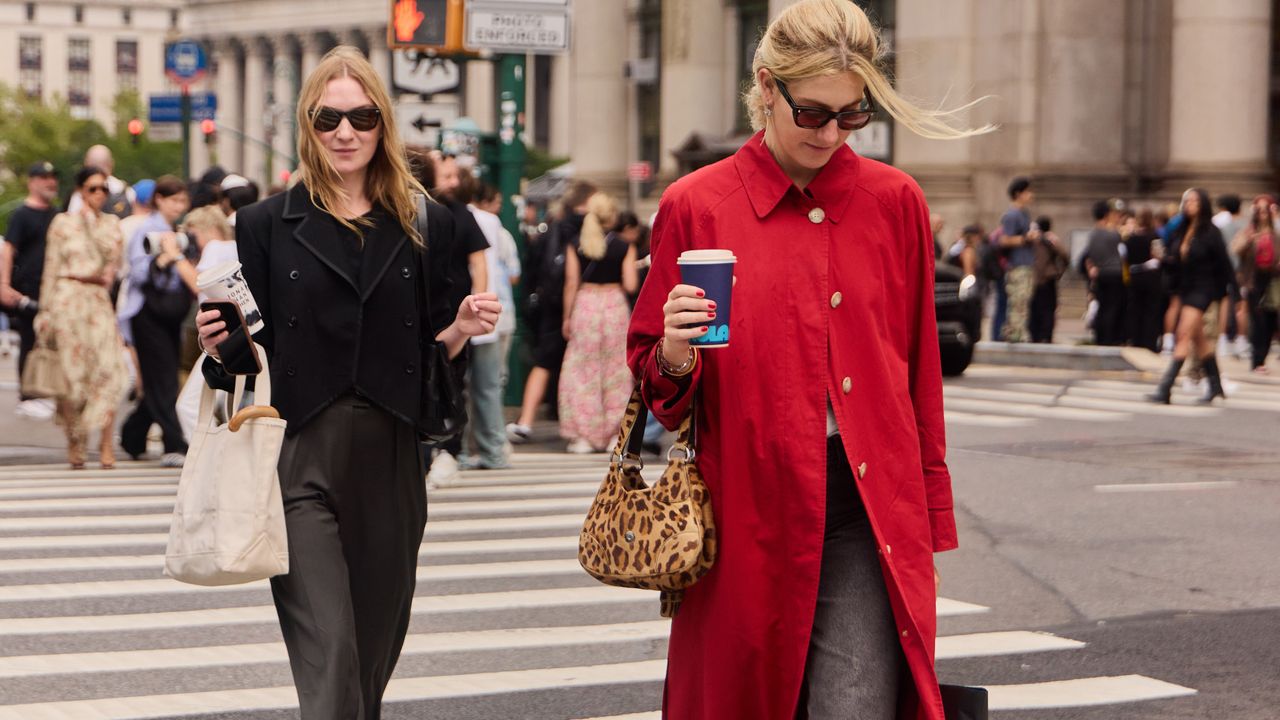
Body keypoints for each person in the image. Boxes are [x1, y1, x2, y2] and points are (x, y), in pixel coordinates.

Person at [627, 1, 985, 716]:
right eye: (814, 112)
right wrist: (671, 350)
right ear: (767, 87)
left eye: (852, 116)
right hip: (744, 503)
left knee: (856, 704)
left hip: (865, 502)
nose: (831, 133)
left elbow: (918, 374)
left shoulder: (895, 202)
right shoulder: (697, 204)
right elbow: (658, 389)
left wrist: (930, 505)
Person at [194, 46, 499, 719]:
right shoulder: (265, 224)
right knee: (330, 654)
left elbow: (435, 351)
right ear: (308, 125)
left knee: (370, 658)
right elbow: (245, 358)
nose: (345, 132)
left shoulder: (430, 223)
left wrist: (460, 328)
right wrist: (223, 347)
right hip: (298, 453)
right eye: (328, 119)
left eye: (361, 117)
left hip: (392, 452)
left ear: (382, 124)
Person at [32, 166, 128, 469]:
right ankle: (75, 440)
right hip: (67, 298)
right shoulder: (62, 223)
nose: (98, 194)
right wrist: (44, 312)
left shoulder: (112, 225)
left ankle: (105, 444)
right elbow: (50, 267)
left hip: (97, 299)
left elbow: (112, 261)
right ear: (80, 191)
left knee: (109, 371)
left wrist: (92, 225)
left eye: (103, 189)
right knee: (72, 375)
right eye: (91, 188)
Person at [506, 180, 598, 443]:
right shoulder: (594, 229)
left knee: (544, 363)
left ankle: (526, 420)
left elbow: (537, 267)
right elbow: (571, 279)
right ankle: (583, 425)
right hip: (587, 306)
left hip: (551, 305)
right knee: (586, 368)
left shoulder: (554, 228)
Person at [118, 176, 193, 466]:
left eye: (182, 201)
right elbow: (137, 272)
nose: (179, 206)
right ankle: (174, 442)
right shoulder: (147, 229)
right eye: (174, 200)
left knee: (159, 378)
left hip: (169, 311)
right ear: (159, 199)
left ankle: (132, 436)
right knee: (163, 379)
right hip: (147, 311)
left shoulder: (174, 229)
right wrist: (162, 259)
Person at [425, 152, 490, 484]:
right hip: (422, 311)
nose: (452, 182)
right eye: (445, 175)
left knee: (451, 381)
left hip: (455, 313)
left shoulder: (461, 214)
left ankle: (448, 448)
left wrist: (477, 305)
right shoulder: (412, 209)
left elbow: (478, 263)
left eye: (454, 176)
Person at [558, 192, 638, 453]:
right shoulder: (624, 246)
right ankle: (616, 433)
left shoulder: (576, 243)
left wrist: (567, 317)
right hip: (614, 306)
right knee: (616, 372)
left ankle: (585, 435)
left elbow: (571, 282)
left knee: (583, 372)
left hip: (586, 305)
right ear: (612, 216)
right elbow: (630, 284)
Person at [1148, 188, 1234, 404]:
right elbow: (1177, 262)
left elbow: (1224, 265)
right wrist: (1163, 259)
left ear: (1203, 204)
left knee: (1183, 334)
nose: (1190, 204)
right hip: (1187, 288)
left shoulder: (1210, 232)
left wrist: (1228, 294)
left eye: (1195, 200)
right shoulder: (1182, 230)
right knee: (1199, 339)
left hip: (1203, 289)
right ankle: (1216, 387)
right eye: (1187, 200)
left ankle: (1165, 388)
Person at [463, 182, 521, 470]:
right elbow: (507, 269)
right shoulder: (491, 222)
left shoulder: (467, 219)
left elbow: (479, 265)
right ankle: (494, 448)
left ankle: (464, 449)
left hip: (473, 311)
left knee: (465, 385)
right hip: (494, 311)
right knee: (489, 385)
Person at [0, 161, 62, 420]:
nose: (50, 182)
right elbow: (8, 249)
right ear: (32, 181)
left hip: (53, 289)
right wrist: (4, 285)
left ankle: (44, 389)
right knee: (29, 340)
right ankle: (28, 394)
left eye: (52, 177)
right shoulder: (22, 214)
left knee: (49, 341)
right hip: (26, 289)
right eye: (43, 177)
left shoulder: (57, 214)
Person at [1232, 195, 1278, 373]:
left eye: (1266, 210)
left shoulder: (1275, 234)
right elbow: (1235, 249)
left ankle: (1262, 356)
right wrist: (1248, 240)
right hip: (1253, 280)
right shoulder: (1248, 231)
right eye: (1259, 210)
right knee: (1257, 320)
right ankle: (1257, 359)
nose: (1263, 214)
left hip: (1273, 280)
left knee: (1270, 320)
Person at [997, 176, 1038, 342]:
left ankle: (1019, 332)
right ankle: (1014, 334)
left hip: (1026, 264)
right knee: (1018, 301)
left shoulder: (1024, 213)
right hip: (1017, 265)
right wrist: (1026, 238)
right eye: (1027, 191)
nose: (1031, 195)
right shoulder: (1012, 215)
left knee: (1024, 301)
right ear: (1018, 193)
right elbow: (1004, 239)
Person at [1082, 199, 1128, 346]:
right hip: (1114, 273)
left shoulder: (1093, 234)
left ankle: (1100, 338)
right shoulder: (1113, 234)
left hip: (1101, 274)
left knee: (1102, 307)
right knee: (1112, 308)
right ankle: (1110, 338)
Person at [1213, 194, 1249, 359]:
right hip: (1244, 271)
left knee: (1225, 304)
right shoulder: (1246, 225)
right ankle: (1242, 340)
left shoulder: (1221, 224)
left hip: (1225, 269)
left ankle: (1222, 339)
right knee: (1242, 305)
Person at [1125, 207, 1165, 352]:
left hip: (1135, 276)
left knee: (1135, 308)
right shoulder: (1154, 237)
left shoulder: (1130, 238)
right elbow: (1160, 255)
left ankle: (1135, 339)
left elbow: (1126, 257)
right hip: (1151, 277)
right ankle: (1150, 342)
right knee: (1151, 310)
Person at [1028, 215, 1069, 343]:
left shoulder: (1033, 240)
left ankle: (1036, 335)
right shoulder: (1051, 240)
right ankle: (1045, 336)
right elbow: (1065, 257)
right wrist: (1058, 272)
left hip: (1034, 280)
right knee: (1047, 310)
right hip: (1048, 279)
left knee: (1035, 309)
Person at [67, 145, 134, 217]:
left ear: (86, 164)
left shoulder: (80, 193)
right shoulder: (126, 190)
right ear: (111, 163)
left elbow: (71, 218)